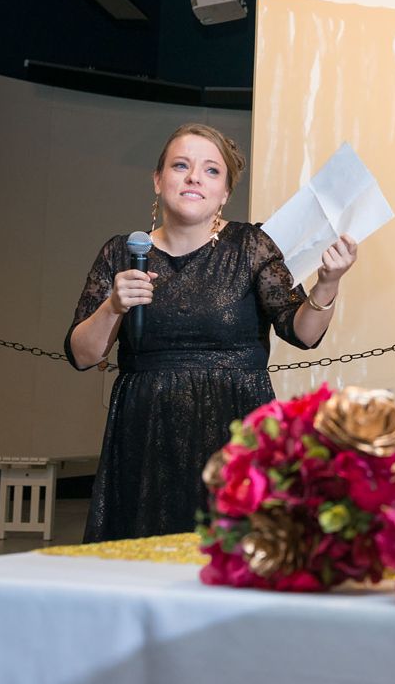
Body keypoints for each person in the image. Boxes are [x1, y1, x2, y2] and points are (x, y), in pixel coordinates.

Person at [65, 123, 358, 542]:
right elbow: (82, 355)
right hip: (147, 437)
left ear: (224, 192)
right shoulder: (123, 252)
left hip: (236, 431)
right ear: (157, 179)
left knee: (237, 559)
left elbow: (302, 333)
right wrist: (113, 306)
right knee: (144, 560)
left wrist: (328, 283)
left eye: (210, 170)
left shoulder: (252, 245)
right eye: (180, 165)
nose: (193, 178)